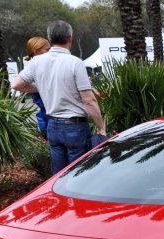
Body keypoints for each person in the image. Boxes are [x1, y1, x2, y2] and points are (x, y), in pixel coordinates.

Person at [11, 20, 106, 176]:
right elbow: (88, 100)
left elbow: (15, 84)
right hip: (75, 127)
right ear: (70, 38)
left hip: (53, 126)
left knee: (58, 176)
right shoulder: (75, 63)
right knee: (78, 175)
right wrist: (101, 128)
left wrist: (39, 88)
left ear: (50, 38)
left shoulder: (37, 62)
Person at [24, 37, 51, 139]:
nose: (50, 52)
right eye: (47, 50)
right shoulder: (33, 66)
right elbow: (17, 84)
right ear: (36, 51)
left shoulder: (36, 65)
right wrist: (39, 88)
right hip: (48, 117)